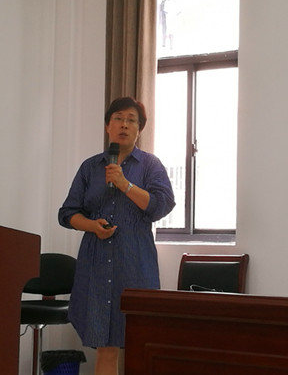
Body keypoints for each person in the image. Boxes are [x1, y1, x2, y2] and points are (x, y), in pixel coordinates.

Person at [58, 96, 175, 375]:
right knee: (106, 346)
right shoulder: (90, 167)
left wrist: (125, 184)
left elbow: (161, 205)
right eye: (118, 118)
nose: (124, 124)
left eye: (131, 120)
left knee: (139, 343)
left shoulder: (150, 165)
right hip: (96, 262)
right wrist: (92, 226)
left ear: (139, 129)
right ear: (107, 126)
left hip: (135, 261)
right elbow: (67, 213)